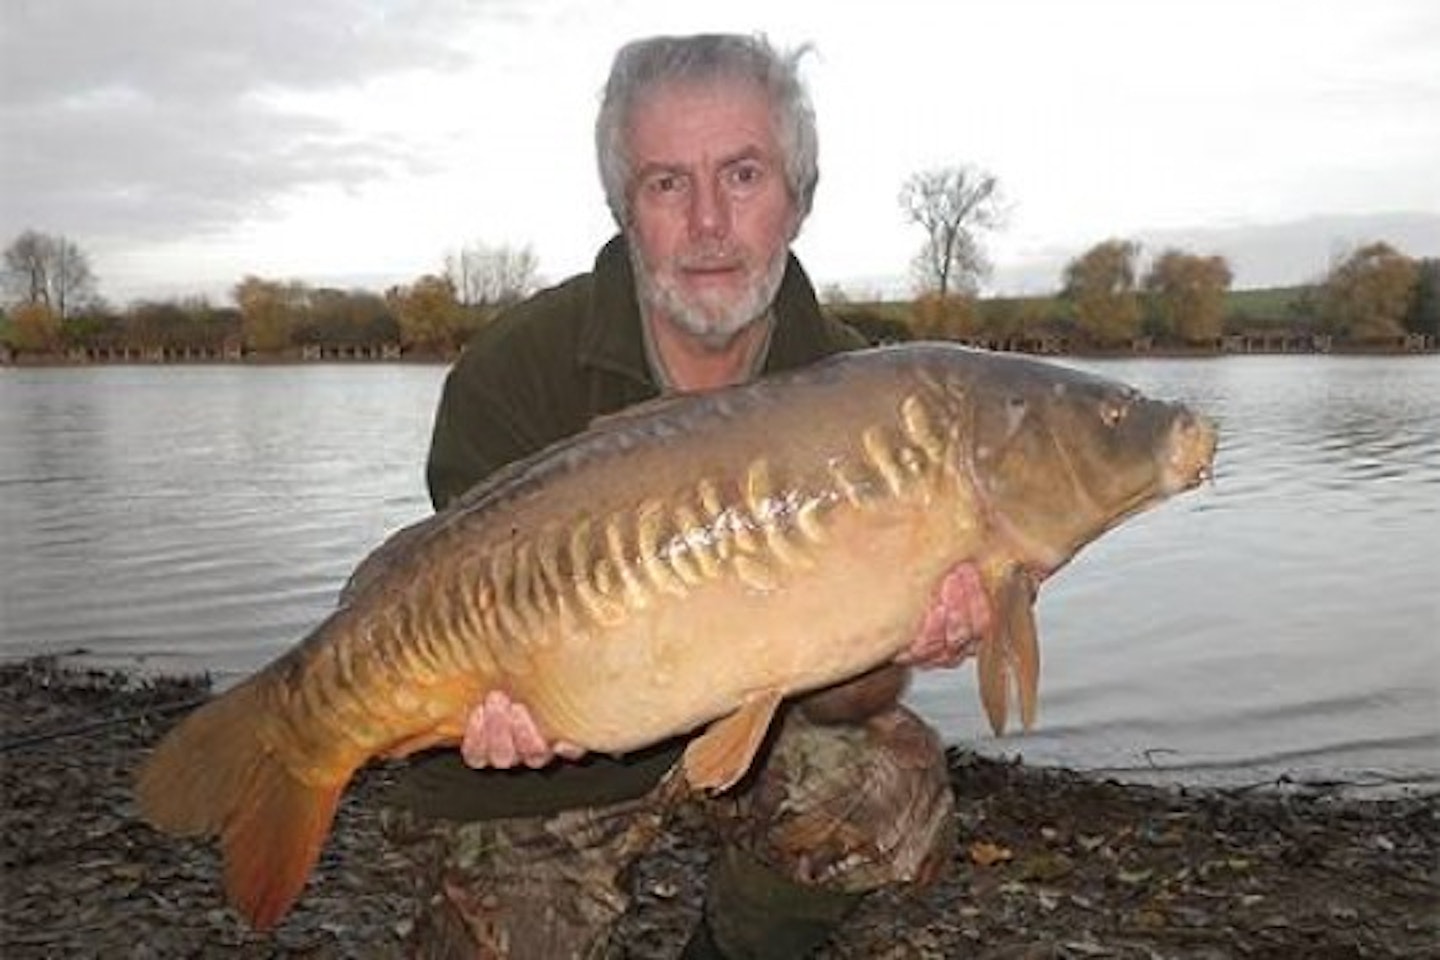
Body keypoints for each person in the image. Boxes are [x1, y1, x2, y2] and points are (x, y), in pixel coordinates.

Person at [383, 33, 991, 959]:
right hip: (536, 777)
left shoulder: (857, 388)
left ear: (800, 195)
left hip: (746, 735)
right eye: (668, 184)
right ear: (625, 207)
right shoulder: (511, 373)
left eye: (743, 175)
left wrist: (903, 632)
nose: (709, 223)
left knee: (888, 787)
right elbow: (456, 629)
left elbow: (840, 696)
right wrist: (492, 707)